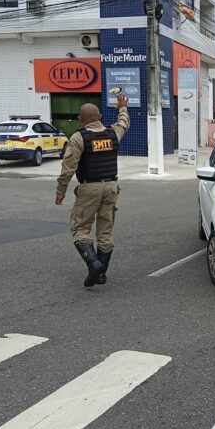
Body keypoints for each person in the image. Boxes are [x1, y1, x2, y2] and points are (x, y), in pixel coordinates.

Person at [55, 94, 130, 287]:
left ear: (81, 119)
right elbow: (124, 122)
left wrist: (61, 190)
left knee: (80, 228)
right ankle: (100, 273)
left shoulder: (79, 137)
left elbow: (68, 168)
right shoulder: (114, 133)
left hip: (89, 188)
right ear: (101, 116)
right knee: (105, 230)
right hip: (112, 187)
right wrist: (122, 107)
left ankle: (93, 264)